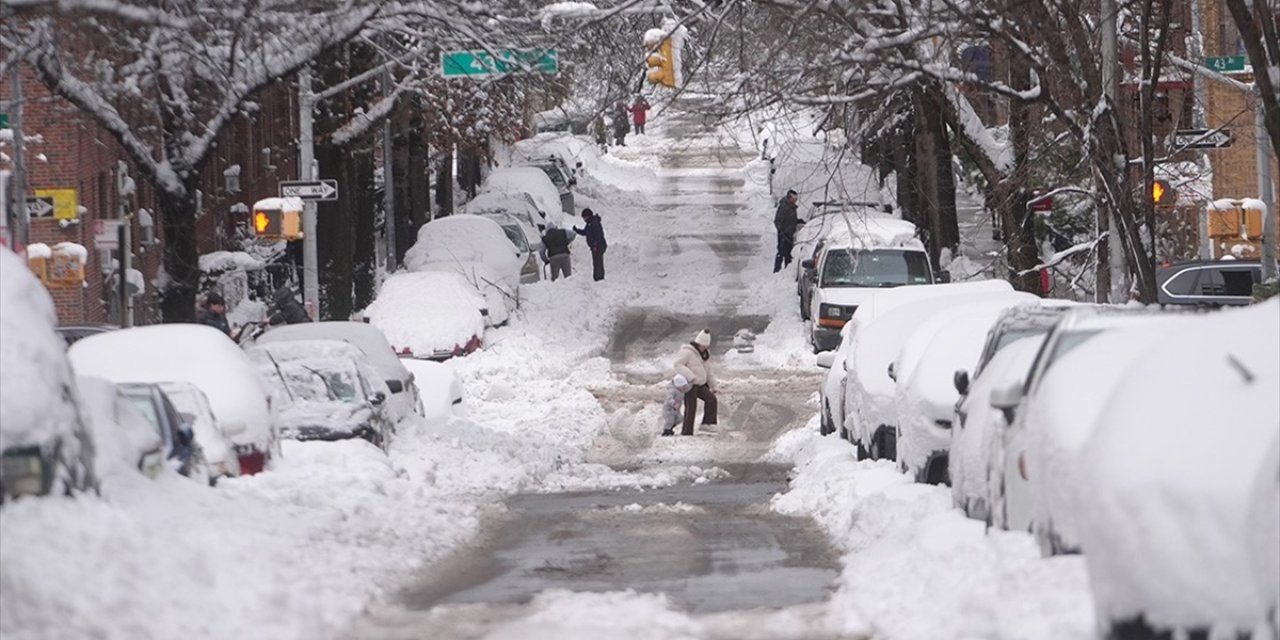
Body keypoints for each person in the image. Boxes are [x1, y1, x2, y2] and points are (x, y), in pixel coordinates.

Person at [672, 329, 718, 436]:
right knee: (691, 408)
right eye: (703, 346)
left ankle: (707, 424)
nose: (705, 348)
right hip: (689, 384)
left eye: (706, 346)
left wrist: (713, 385)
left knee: (711, 399)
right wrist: (691, 377)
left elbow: (708, 370)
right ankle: (687, 432)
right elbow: (678, 365)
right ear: (698, 343)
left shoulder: (705, 355)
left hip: (700, 384)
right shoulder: (687, 351)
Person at [573, 208, 607, 281]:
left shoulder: (594, 223)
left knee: (598, 262)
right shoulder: (589, 223)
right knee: (597, 262)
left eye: (584, 217)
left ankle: (599, 278)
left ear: (588, 216)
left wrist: (595, 245)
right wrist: (577, 230)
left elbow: (598, 235)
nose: (584, 219)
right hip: (596, 246)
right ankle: (598, 278)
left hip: (598, 246)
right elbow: (586, 232)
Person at [773, 189, 803, 273]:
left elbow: (790, 220)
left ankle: (787, 270)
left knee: (788, 253)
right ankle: (777, 270)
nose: (796, 200)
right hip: (784, 235)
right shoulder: (784, 207)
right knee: (781, 252)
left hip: (790, 234)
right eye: (795, 198)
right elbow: (777, 221)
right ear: (790, 197)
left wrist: (798, 221)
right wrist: (781, 231)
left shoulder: (791, 207)